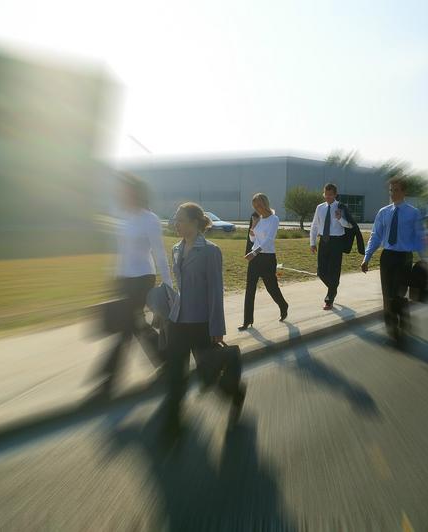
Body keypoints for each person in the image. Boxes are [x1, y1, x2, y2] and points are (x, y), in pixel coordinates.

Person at [164, 202, 246, 432]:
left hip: (200, 322)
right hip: (177, 320)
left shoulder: (211, 251)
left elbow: (215, 291)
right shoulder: (176, 249)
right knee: (175, 374)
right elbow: (181, 287)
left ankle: (235, 393)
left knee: (206, 375)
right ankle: (172, 423)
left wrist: (216, 326)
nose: (176, 224)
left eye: (180, 219)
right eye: (175, 219)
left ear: (194, 221)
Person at [93, 173, 172, 396]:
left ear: (136, 193)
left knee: (126, 327)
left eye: (125, 190)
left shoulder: (150, 219)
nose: (121, 194)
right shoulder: (124, 218)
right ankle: (167, 361)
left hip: (142, 279)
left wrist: (167, 286)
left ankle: (107, 381)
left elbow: (159, 254)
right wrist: (112, 277)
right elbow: (120, 251)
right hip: (124, 279)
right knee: (135, 326)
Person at [360, 176, 428, 347]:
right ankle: (392, 330)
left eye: (396, 190)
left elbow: (419, 238)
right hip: (388, 257)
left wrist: (425, 260)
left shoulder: (413, 213)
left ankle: (403, 321)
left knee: (397, 294)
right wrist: (366, 258)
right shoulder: (383, 212)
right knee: (387, 295)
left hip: (404, 258)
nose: (392, 193)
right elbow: (375, 236)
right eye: (391, 190)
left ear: (404, 192)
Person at [239, 193, 289, 330]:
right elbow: (253, 240)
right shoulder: (258, 219)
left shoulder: (274, 219)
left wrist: (254, 252)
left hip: (267, 258)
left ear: (265, 204)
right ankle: (247, 321)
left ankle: (283, 305)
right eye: (255, 206)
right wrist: (253, 227)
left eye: (259, 205)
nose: (257, 208)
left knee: (271, 288)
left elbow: (269, 240)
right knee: (250, 289)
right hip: (255, 258)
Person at [309, 183, 352, 310]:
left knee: (334, 270)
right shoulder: (320, 207)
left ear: (335, 194)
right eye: (325, 194)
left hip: (337, 242)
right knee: (321, 272)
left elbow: (349, 225)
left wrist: (340, 218)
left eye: (330, 195)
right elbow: (315, 225)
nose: (327, 197)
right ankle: (333, 288)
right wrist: (312, 242)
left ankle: (329, 299)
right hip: (324, 241)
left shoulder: (341, 207)